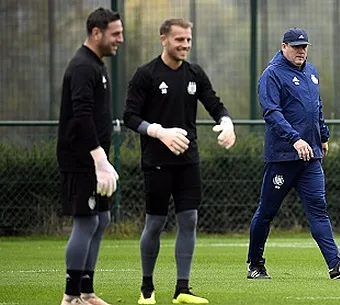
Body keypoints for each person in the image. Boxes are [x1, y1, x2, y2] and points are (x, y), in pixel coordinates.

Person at [123, 18, 236, 305]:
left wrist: (226, 122)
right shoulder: (146, 74)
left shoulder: (194, 74)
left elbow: (215, 103)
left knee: (189, 220)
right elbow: (130, 117)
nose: (185, 45)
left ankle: (182, 289)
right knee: (155, 223)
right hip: (157, 163)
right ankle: (147, 289)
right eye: (179, 40)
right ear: (164, 39)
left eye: (188, 40)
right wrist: (159, 132)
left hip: (189, 161)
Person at [246, 27, 340, 281]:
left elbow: (316, 106)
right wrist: (295, 139)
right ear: (283, 47)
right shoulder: (272, 74)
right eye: (296, 46)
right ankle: (255, 264)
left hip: (310, 158)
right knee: (266, 212)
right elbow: (271, 113)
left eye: (304, 46)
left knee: (319, 210)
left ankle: (335, 264)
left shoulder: (311, 72)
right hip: (283, 158)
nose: (301, 51)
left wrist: (323, 135)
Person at [56, 7, 123, 305]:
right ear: (96, 32)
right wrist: (98, 158)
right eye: (115, 34)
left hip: (95, 160)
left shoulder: (97, 65)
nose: (120, 39)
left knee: (102, 219)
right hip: (81, 160)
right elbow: (81, 114)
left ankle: (86, 292)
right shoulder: (83, 66)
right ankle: (70, 297)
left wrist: (103, 159)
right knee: (85, 222)